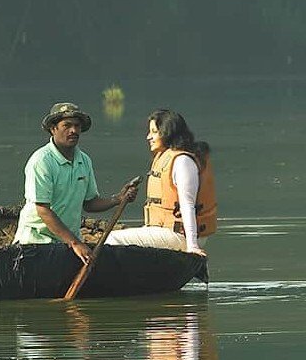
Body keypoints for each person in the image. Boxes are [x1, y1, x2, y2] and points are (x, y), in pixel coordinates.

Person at [13, 102, 138, 264]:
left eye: (77, 126)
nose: (73, 130)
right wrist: (75, 243)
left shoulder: (83, 160)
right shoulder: (42, 161)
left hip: (68, 242)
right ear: (53, 129)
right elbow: (43, 210)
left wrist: (118, 199)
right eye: (67, 125)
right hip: (37, 242)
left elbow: (90, 203)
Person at [106, 109, 216, 256]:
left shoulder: (182, 161)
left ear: (166, 132)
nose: (148, 137)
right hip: (166, 231)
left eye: (154, 132)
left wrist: (192, 246)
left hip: (182, 235)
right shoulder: (166, 157)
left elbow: (187, 205)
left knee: (111, 239)